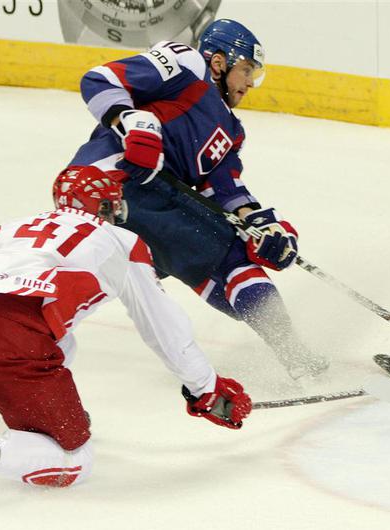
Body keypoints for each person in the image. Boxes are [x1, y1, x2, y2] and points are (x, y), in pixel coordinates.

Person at [0, 167, 252, 507]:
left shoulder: (14, 226)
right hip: (9, 343)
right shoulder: (119, 241)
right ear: (105, 206)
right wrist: (206, 388)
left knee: (64, 345)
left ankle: (41, 415)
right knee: (74, 460)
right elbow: (162, 325)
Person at [66, 19, 328, 380]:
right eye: (246, 69)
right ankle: (297, 357)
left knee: (225, 277)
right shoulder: (188, 64)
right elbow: (99, 79)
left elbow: (224, 190)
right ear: (219, 62)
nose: (250, 82)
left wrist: (263, 227)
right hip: (112, 183)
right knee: (231, 260)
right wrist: (128, 121)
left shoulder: (231, 132)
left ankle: (17, 333)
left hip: (144, 206)